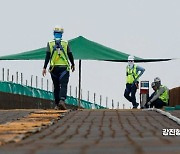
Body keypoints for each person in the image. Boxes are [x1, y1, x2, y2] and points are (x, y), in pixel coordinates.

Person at [42, 26, 75, 110]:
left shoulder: (50, 43)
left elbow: (47, 56)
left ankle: (57, 104)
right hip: (64, 68)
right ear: (62, 34)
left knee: (56, 86)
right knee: (63, 85)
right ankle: (62, 101)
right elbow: (70, 54)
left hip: (53, 68)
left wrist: (44, 67)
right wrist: (73, 64)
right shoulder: (65, 43)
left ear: (54, 33)